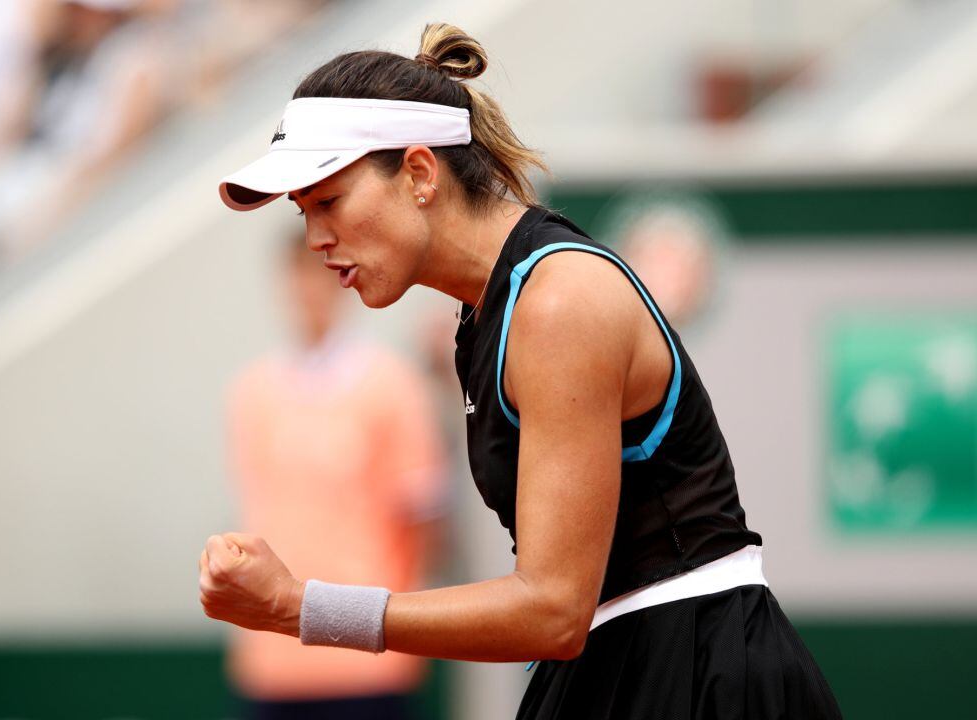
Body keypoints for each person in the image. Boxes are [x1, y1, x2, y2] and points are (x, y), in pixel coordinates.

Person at [199, 22, 843, 719]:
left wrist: (303, 608)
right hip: (627, 664)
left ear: (419, 173)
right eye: (303, 214)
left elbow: (551, 610)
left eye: (328, 201)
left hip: (702, 677)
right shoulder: (483, 317)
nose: (316, 239)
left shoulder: (558, 302)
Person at [224, 231, 449, 719]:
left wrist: (398, 620)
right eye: (298, 276)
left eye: (319, 275)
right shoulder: (253, 392)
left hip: (366, 656)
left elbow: (423, 516)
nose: (308, 291)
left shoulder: (391, 385)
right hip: (275, 661)